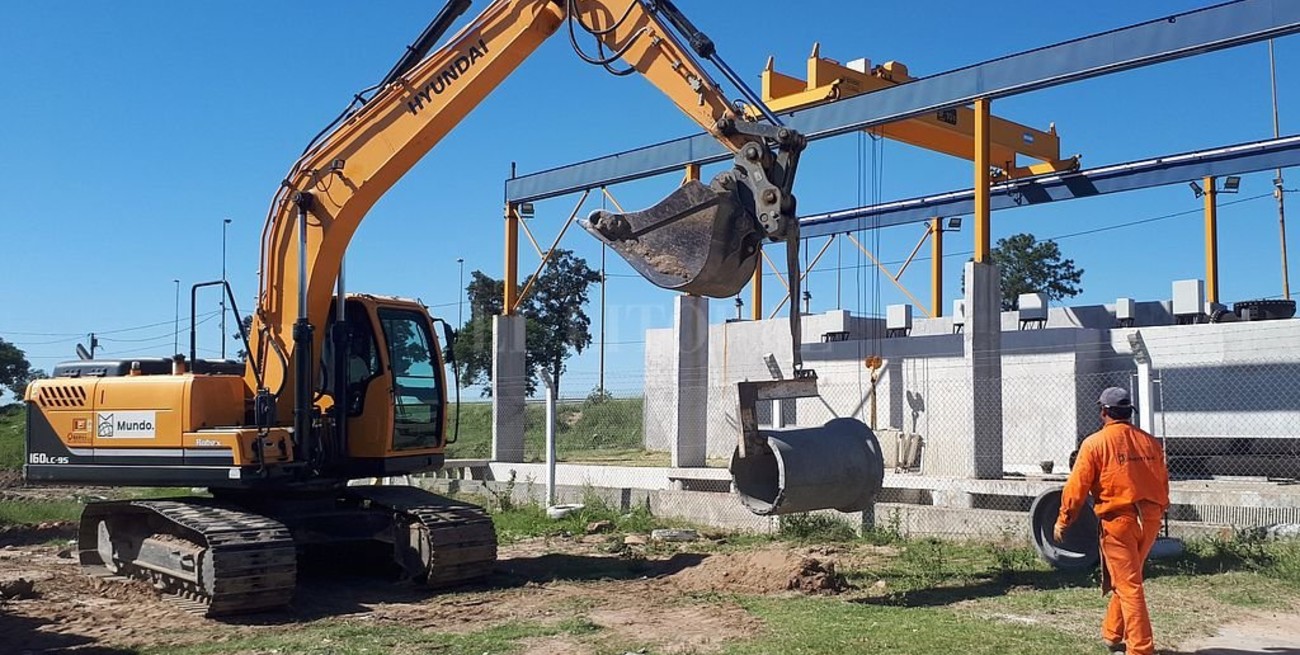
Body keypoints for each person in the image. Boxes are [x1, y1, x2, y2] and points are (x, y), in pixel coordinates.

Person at [1055, 387, 1170, 655]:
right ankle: (1111, 633)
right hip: (1150, 518)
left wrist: (1064, 520)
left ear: (1104, 411)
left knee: (1129, 585)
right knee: (1128, 578)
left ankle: (1140, 649)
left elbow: (1076, 487)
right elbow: (1163, 481)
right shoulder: (1151, 442)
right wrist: (1159, 511)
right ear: (1129, 412)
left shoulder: (1094, 443)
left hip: (1119, 521)